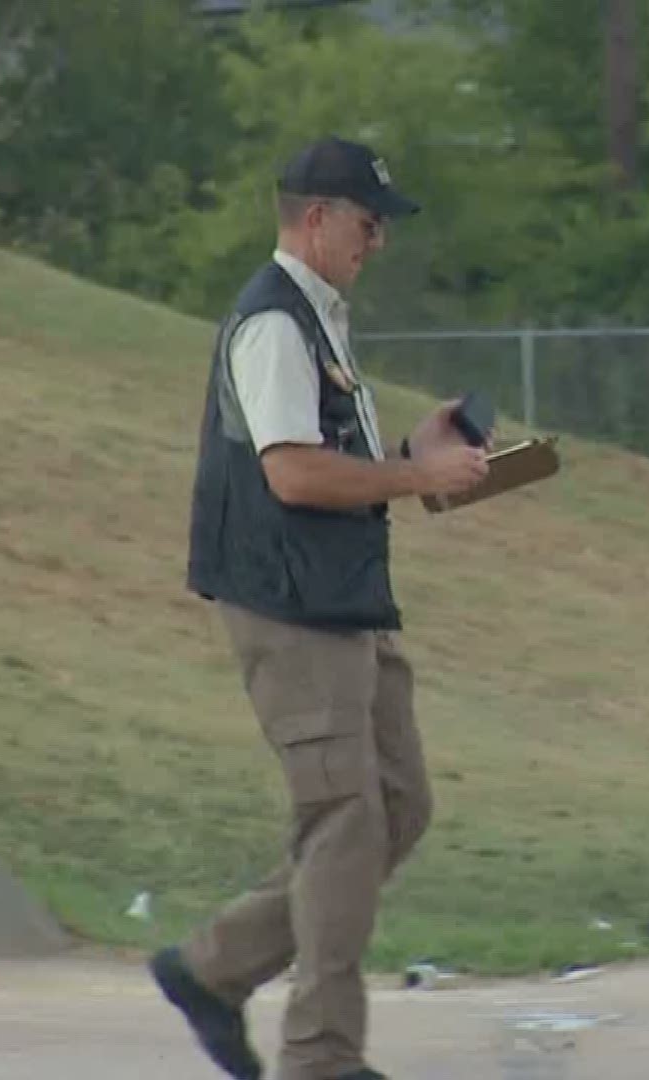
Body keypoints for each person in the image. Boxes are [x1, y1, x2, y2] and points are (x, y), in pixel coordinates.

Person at [151, 136, 491, 1080]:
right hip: (291, 608)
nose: (378, 241)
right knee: (345, 816)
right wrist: (418, 472)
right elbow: (293, 473)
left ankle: (212, 967)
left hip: (344, 605)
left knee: (397, 806)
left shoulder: (318, 320)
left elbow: (335, 457)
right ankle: (321, 1058)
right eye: (368, 223)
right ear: (316, 218)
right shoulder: (272, 323)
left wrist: (420, 456)